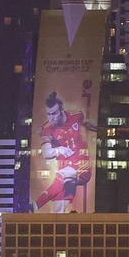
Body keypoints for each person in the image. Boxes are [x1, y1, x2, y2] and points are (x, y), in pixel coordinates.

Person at [34, 82, 93, 212]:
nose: (52, 117)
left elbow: (88, 124)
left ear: (61, 110)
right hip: (66, 173)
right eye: (49, 114)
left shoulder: (76, 116)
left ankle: (33, 206)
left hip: (82, 166)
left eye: (54, 113)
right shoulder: (47, 130)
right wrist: (60, 149)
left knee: (61, 177)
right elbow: (47, 153)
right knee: (58, 210)